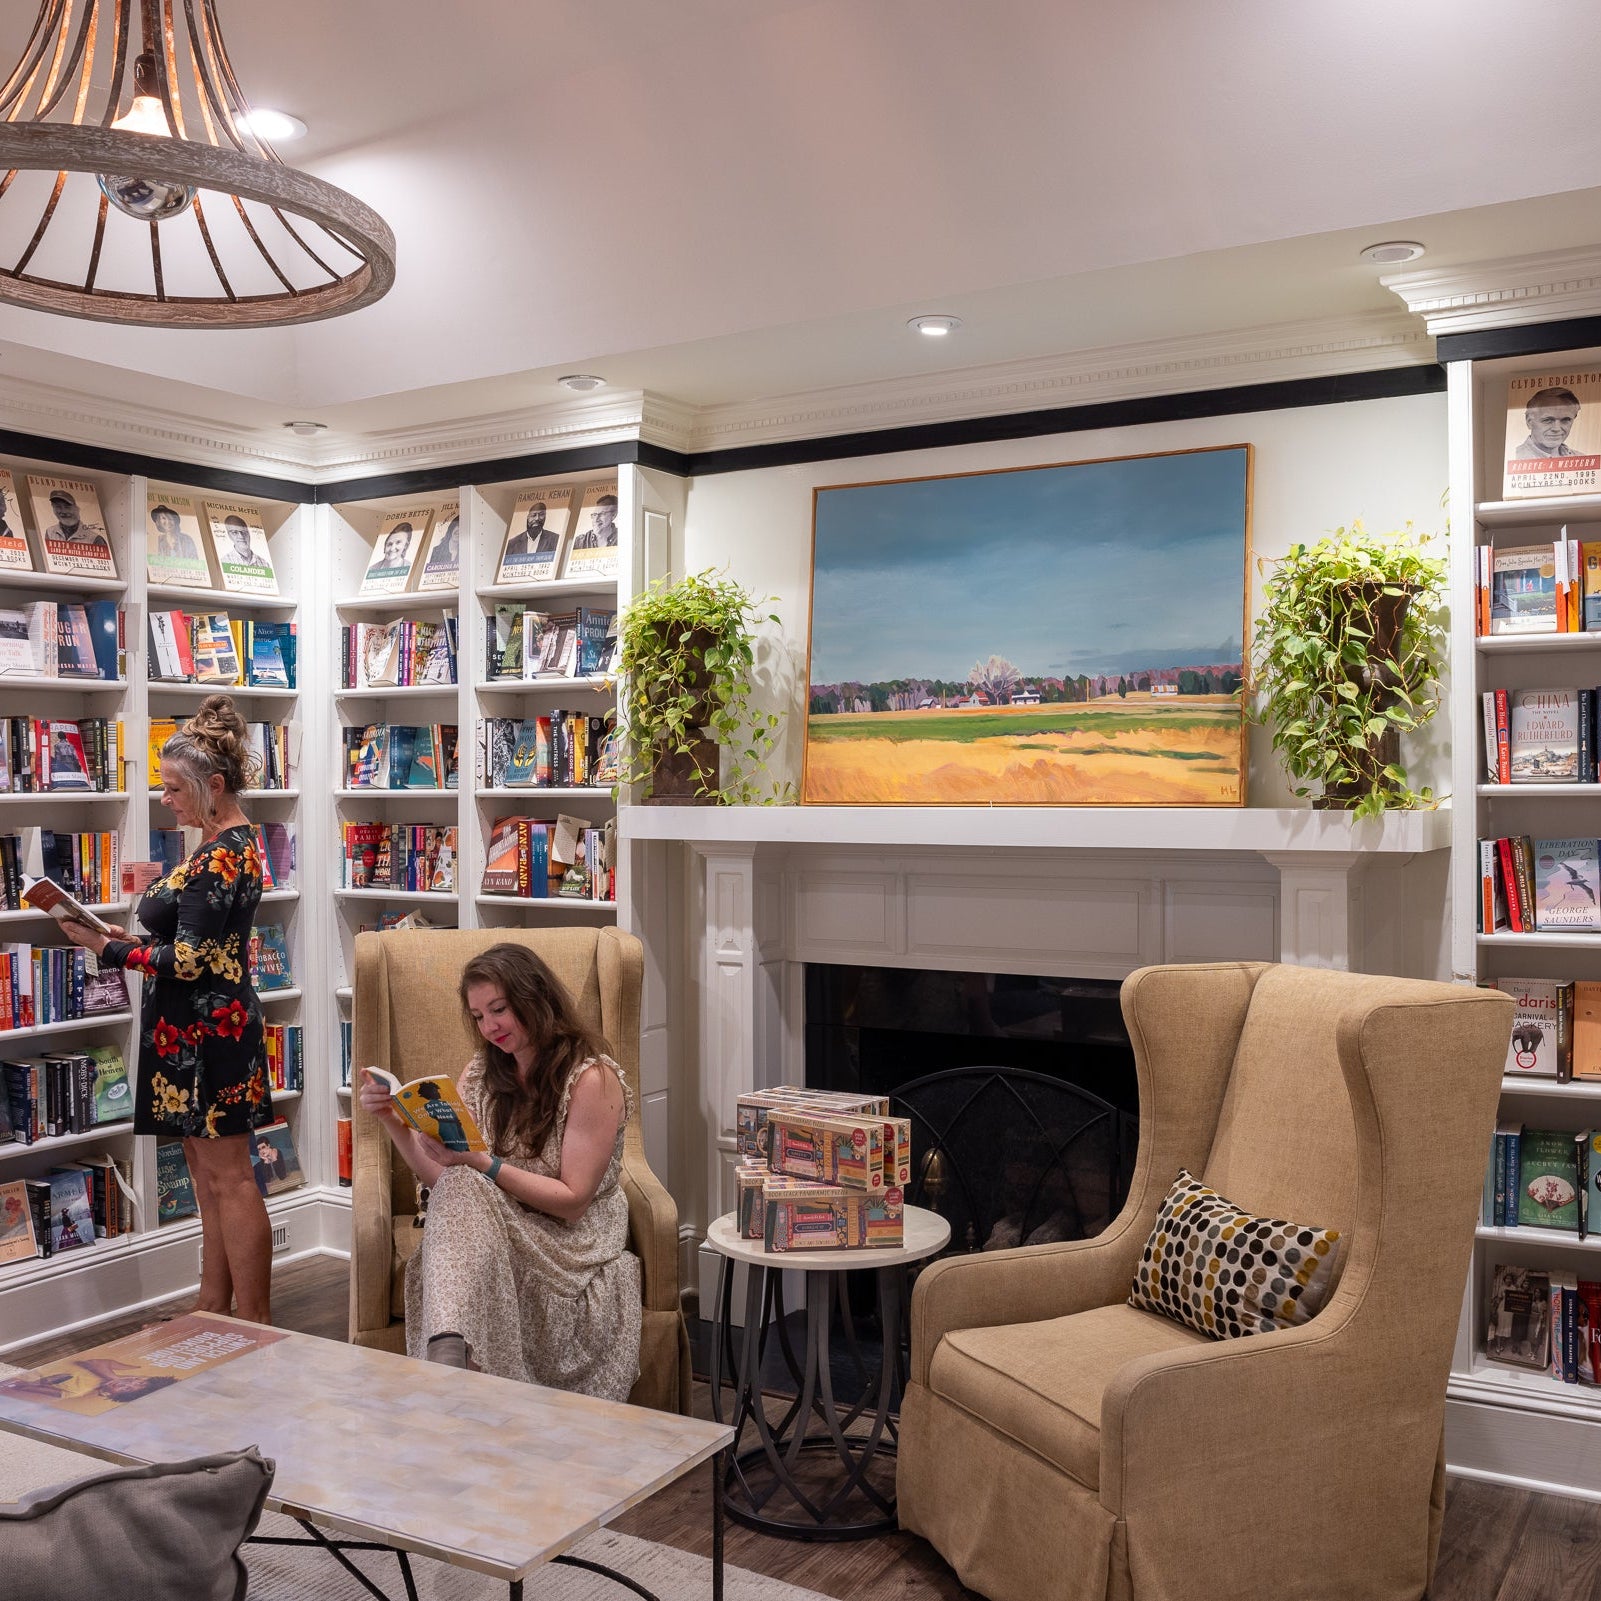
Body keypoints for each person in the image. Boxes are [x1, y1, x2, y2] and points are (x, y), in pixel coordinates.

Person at [59, 695, 273, 1324]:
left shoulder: (225, 854)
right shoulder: (210, 845)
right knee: (206, 1175)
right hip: (188, 1032)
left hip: (213, 1034)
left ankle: (256, 1320)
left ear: (214, 785)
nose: (164, 798)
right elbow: (183, 945)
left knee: (230, 1176)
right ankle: (213, 1304)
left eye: (173, 786)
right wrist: (120, 942)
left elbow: (189, 960)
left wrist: (108, 947)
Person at [356, 942, 641, 1396]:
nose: (489, 1027)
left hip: (571, 1241)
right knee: (461, 1182)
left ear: (534, 999)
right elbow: (447, 1183)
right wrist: (393, 1120)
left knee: (468, 1178)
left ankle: (447, 1365)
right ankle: (451, 1356)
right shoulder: (481, 1073)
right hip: (499, 1222)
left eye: (499, 1010)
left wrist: (480, 1163)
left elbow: (572, 1202)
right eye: (478, 1016)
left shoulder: (592, 1079)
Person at [1514, 387, 1583, 459]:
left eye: (1565, 420)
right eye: (1548, 420)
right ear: (1529, 422)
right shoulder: (1513, 458)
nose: (1556, 429)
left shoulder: (1582, 459)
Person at [42, 489, 109, 548]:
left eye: (67, 507)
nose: (63, 511)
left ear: (77, 509)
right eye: (58, 507)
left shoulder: (95, 539)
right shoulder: (50, 532)